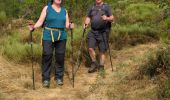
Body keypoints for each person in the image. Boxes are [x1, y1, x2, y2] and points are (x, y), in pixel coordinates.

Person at [29, 0, 74, 88]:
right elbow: (40, 21)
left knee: (60, 56)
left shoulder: (64, 11)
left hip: (62, 36)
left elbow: (67, 25)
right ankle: (46, 79)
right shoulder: (47, 8)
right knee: (47, 55)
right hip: (48, 35)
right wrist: (33, 27)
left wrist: (70, 26)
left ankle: (59, 77)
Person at [84, 0, 114, 73]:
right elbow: (88, 17)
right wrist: (86, 23)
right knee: (90, 48)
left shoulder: (106, 7)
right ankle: (94, 63)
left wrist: (106, 18)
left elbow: (112, 18)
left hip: (103, 32)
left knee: (102, 50)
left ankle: (101, 66)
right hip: (93, 31)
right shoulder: (92, 7)